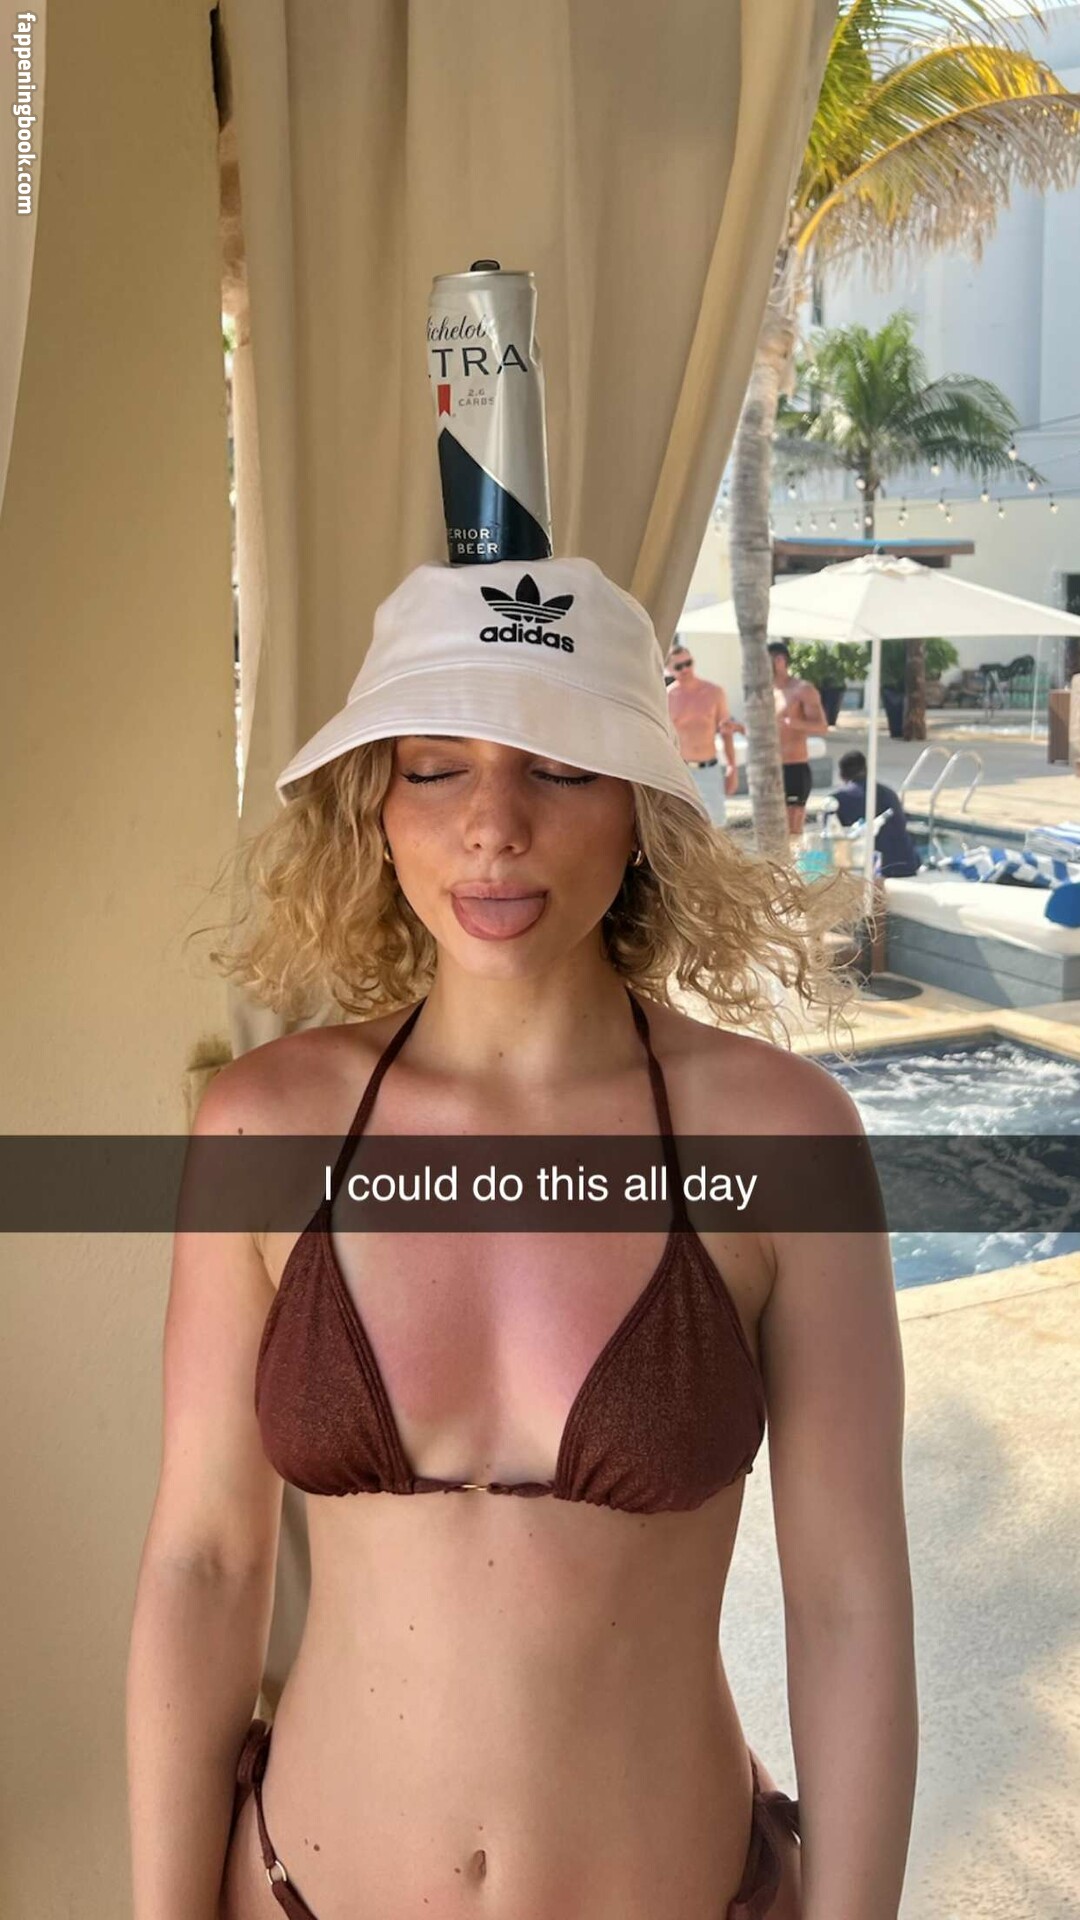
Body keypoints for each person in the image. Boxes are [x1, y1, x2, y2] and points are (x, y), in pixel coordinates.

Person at [127, 557, 916, 1920]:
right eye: (436, 769)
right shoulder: (268, 1127)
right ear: (377, 809)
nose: (493, 827)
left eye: (560, 768)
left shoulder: (783, 1137)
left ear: (643, 808)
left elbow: (847, 1596)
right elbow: (205, 1561)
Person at [666, 642, 740, 827]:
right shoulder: (667, 697)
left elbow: (726, 732)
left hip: (709, 768)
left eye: (688, 663)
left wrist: (732, 766)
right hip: (681, 771)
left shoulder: (714, 692)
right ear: (669, 670)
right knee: (684, 827)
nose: (685, 669)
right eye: (679, 666)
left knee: (716, 826)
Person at [767, 641, 829, 838]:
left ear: (779, 660)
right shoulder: (767, 692)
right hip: (770, 769)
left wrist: (795, 723)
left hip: (794, 767)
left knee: (792, 829)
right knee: (771, 829)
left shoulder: (802, 690)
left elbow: (822, 727)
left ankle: (796, 858)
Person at [834, 750, 922, 879]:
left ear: (841, 775)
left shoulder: (839, 799)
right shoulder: (890, 793)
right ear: (867, 770)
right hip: (907, 863)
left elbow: (833, 838)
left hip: (878, 869)